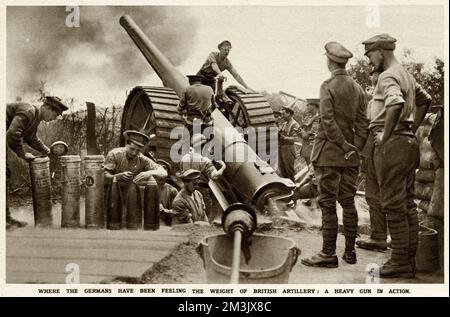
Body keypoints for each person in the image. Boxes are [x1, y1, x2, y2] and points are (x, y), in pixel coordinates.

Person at [355, 34, 431, 278]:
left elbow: (395, 103)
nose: (369, 61)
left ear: (380, 51)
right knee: (406, 204)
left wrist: (387, 135)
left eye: (369, 55)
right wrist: (410, 128)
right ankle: (408, 260)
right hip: (407, 143)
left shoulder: (388, 75)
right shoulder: (405, 73)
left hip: (392, 146)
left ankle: (399, 260)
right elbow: (425, 100)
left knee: (393, 205)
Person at [301, 41, 369, 268]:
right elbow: (362, 123)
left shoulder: (327, 85)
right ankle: (350, 253)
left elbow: (328, 121)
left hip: (329, 154)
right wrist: (354, 147)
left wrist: (341, 145)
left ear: (329, 61)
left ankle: (328, 253)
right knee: (348, 202)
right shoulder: (358, 88)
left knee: (328, 204)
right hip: (350, 157)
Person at [6, 96, 69, 229]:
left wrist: (48, 151)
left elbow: (31, 138)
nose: (55, 117)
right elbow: (12, 134)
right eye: (55, 113)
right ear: (46, 108)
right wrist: (23, 154)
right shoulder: (28, 111)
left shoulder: (34, 118)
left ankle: (5, 218)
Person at [180, 133, 226, 222]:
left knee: (187, 210)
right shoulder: (204, 161)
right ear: (202, 146)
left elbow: (182, 173)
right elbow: (215, 176)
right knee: (203, 212)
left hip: (185, 189)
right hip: (201, 190)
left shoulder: (184, 158)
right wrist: (223, 167)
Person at [278, 103, 300, 181]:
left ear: (289, 113)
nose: (282, 116)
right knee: (282, 170)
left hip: (289, 150)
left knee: (289, 171)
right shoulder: (284, 124)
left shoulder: (295, 124)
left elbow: (296, 139)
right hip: (282, 149)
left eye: (284, 114)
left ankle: (292, 188)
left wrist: (284, 138)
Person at [155, 159, 179, 226]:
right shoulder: (145, 188)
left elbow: (179, 212)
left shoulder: (172, 191)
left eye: (164, 168)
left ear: (168, 173)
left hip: (165, 226)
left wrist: (165, 211)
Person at [299, 99, 320, 166]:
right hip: (306, 145)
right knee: (309, 166)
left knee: (312, 167)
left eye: (309, 104)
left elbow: (313, 132)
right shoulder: (309, 116)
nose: (307, 106)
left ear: (315, 106)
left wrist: (303, 133)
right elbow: (303, 127)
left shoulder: (317, 117)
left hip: (312, 146)